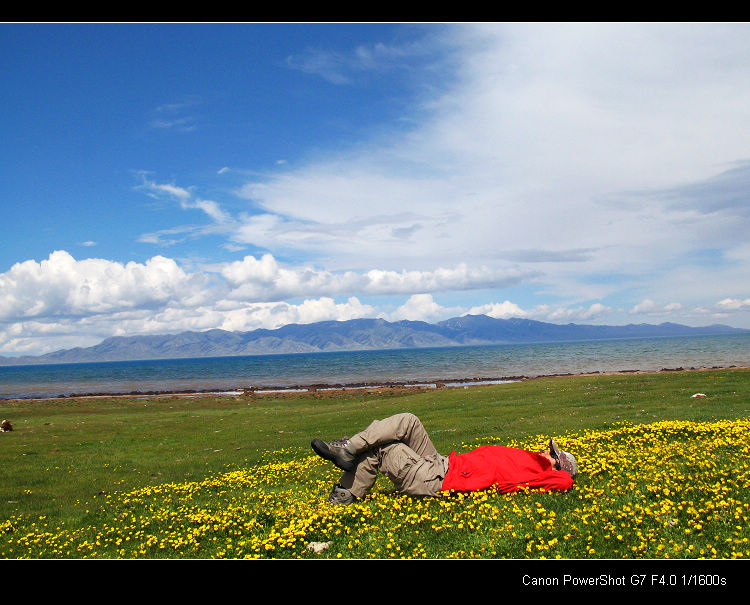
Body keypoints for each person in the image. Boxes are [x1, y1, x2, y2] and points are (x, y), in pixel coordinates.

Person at [311, 412, 577, 505]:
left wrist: (555, 469)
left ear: (555, 462)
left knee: (384, 449)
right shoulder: (528, 460)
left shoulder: (540, 475)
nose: (544, 450)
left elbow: (565, 482)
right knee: (408, 421)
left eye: (550, 452)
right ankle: (349, 448)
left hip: (438, 480)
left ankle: (343, 494)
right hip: (443, 464)